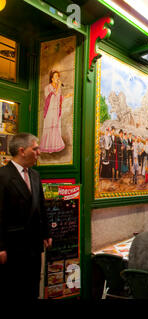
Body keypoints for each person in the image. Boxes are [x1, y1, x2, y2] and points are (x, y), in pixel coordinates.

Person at [0, 133, 52, 299]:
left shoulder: (35, 175)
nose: (39, 153)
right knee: (14, 289)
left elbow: (41, 207)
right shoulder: (3, 176)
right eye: (35, 149)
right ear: (22, 151)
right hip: (13, 247)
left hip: (34, 246)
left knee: (32, 288)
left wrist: (46, 232)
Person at [40, 70, 68, 153]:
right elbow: (52, 96)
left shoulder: (58, 88)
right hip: (50, 110)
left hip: (56, 110)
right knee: (50, 126)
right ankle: (47, 146)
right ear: (52, 78)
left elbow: (58, 97)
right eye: (56, 76)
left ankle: (55, 145)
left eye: (58, 77)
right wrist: (59, 86)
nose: (57, 78)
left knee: (55, 126)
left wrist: (66, 96)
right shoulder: (47, 87)